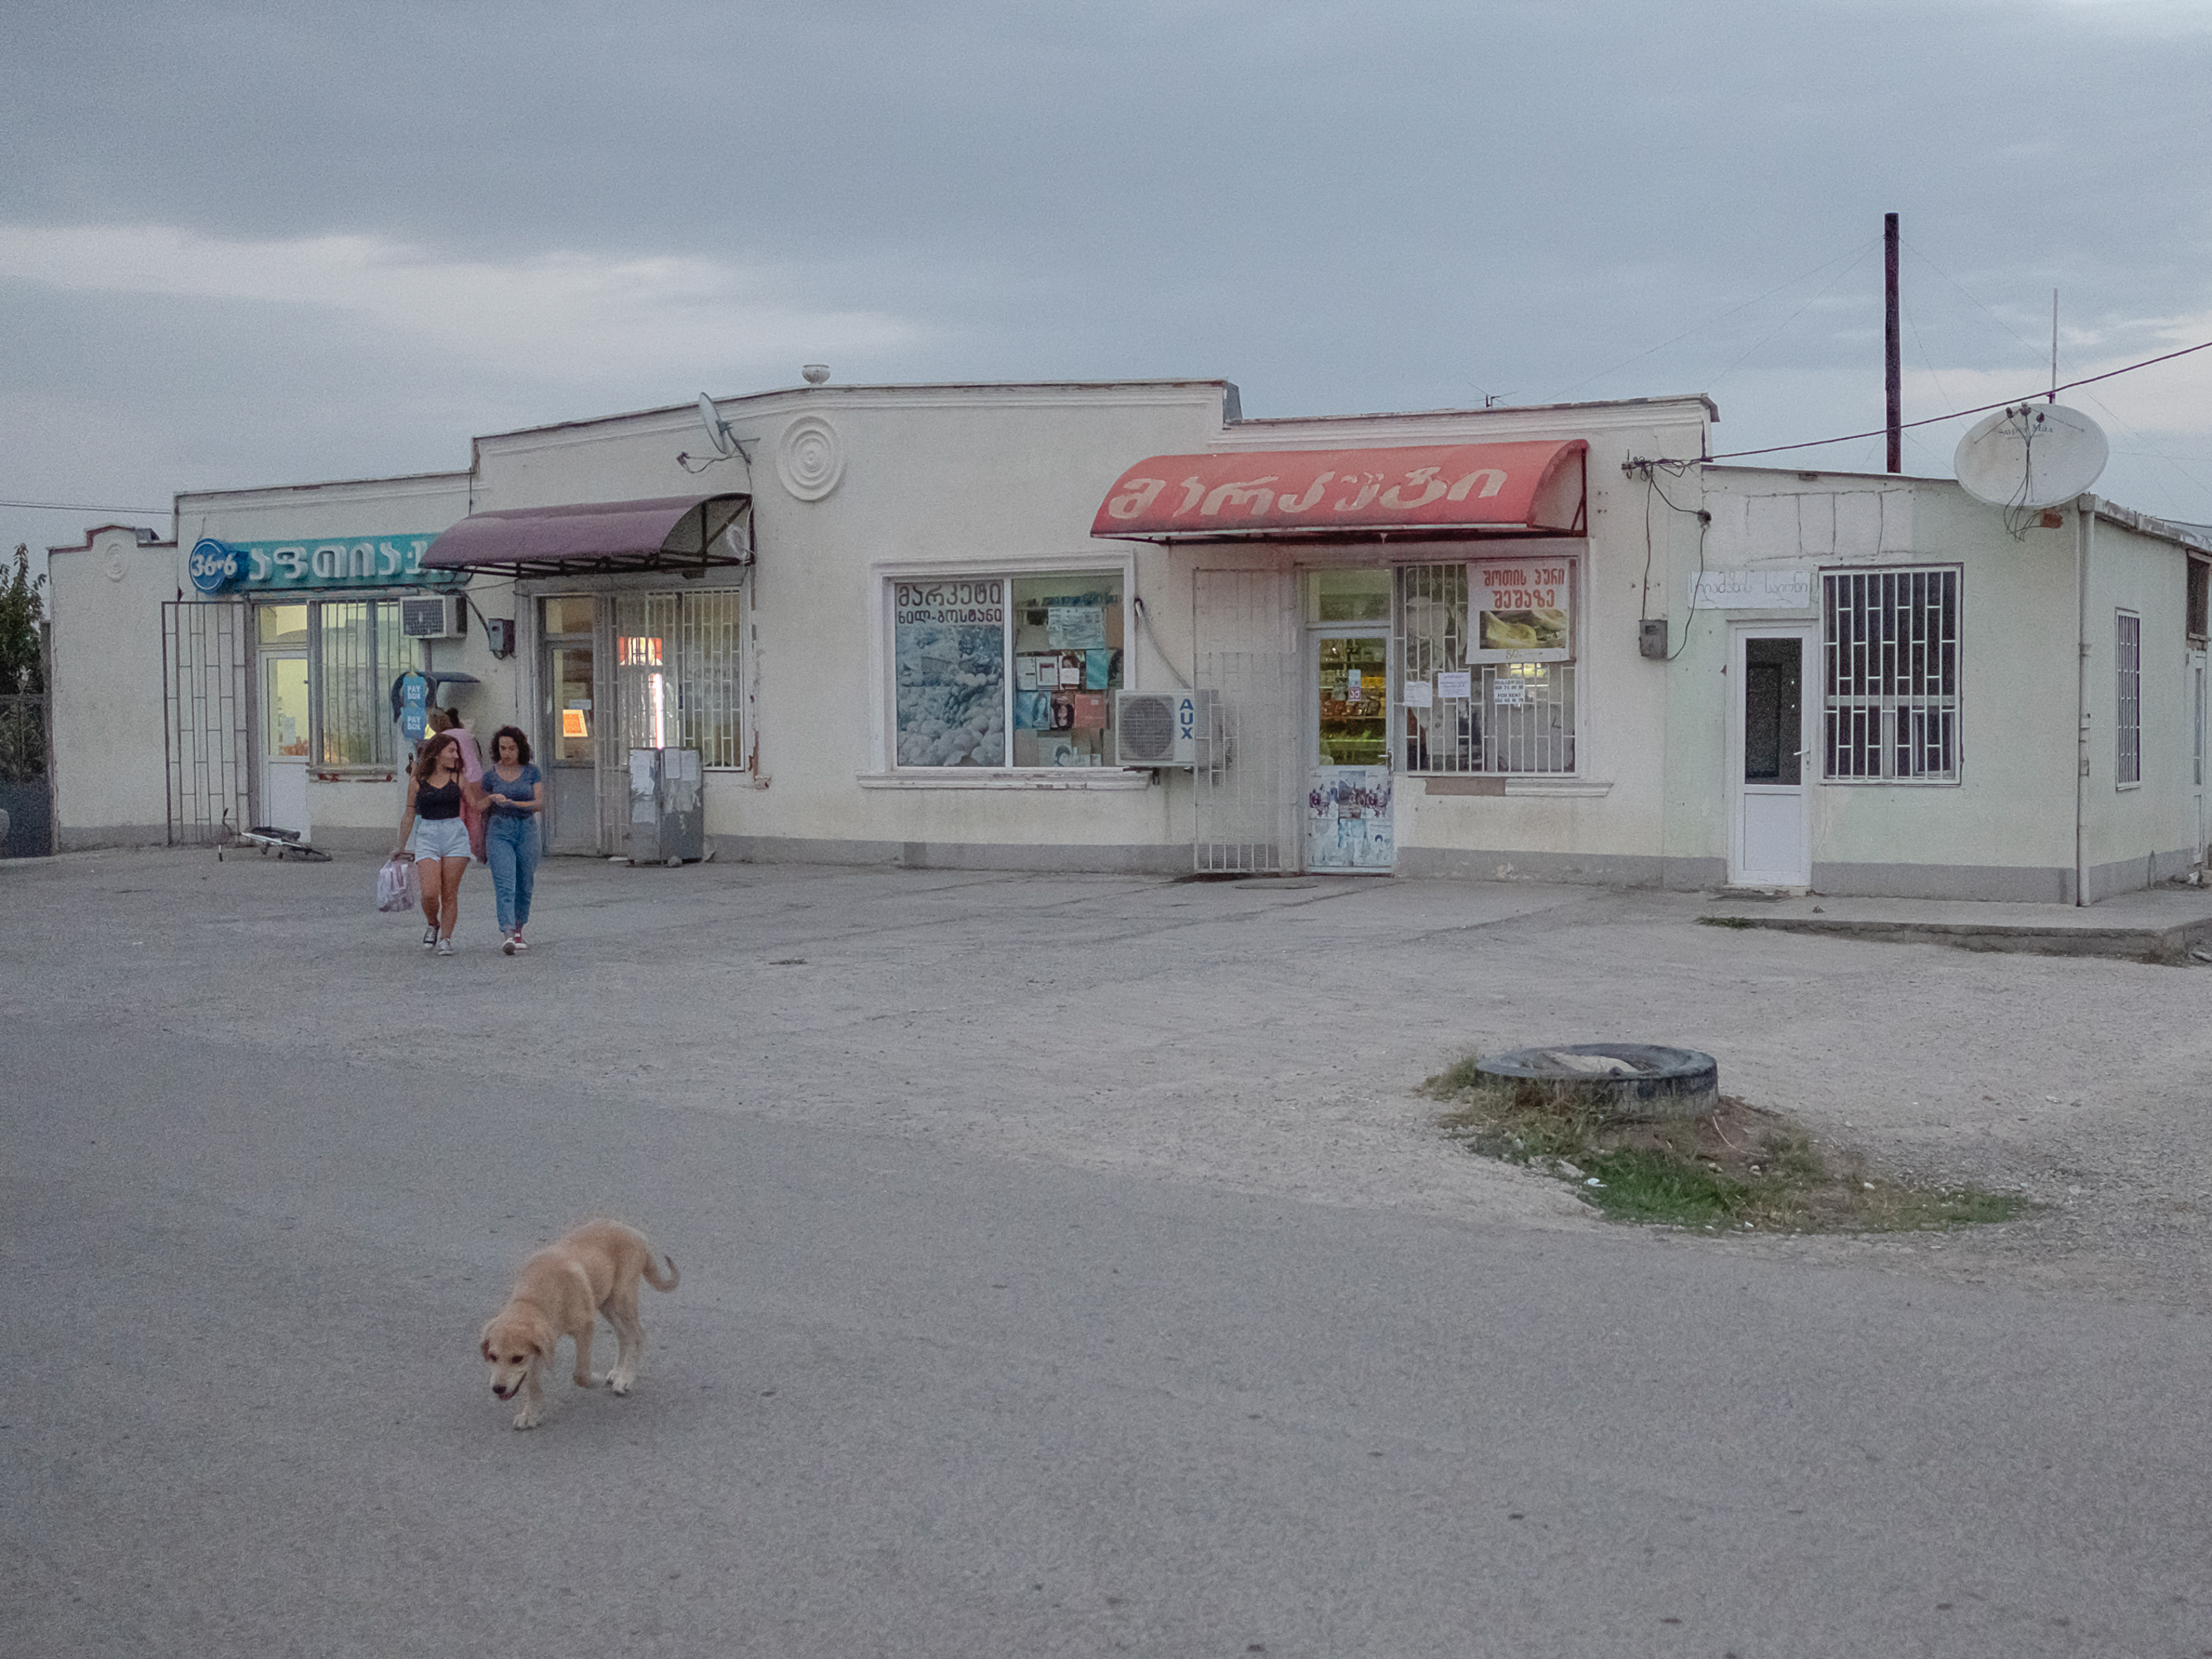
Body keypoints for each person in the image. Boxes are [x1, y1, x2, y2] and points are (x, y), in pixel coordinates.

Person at [393, 730, 479, 956]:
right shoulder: (418, 781)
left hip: (455, 835)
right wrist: (400, 846)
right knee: (429, 893)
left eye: (457, 751)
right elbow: (409, 814)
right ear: (437, 753)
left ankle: (446, 940)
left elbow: (475, 807)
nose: (456, 755)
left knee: (449, 893)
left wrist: (493, 799)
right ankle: (433, 922)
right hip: (428, 835)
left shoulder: (459, 779)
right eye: (451, 751)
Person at [479, 724, 544, 955]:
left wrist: (513, 803)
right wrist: (490, 799)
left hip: (527, 828)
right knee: (505, 882)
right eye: (502, 748)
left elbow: (539, 803)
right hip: (499, 829)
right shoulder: (490, 776)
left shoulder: (532, 772)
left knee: (525, 881)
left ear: (520, 749)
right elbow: (478, 805)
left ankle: (519, 928)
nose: (506, 753)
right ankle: (508, 933)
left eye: (511, 748)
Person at [430, 705, 488, 863]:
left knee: (458, 815)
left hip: (457, 777)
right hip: (476, 776)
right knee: (475, 815)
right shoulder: (465, 733)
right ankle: (473, 849)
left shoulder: (442, 738)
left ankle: (459, 850)